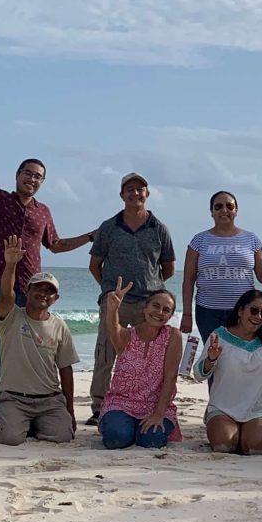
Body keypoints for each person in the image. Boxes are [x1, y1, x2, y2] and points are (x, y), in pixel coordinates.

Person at [0, 114, 91, 416]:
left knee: (32, 345)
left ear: (42, 183)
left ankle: (29, 399)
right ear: (17, 175)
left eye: (38, 176)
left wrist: (90, 236)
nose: (32, 179)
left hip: (32, 288)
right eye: (27, 173)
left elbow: (56, 245)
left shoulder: (43, 212)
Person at [89, 173, 177, 424]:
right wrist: (110, 292)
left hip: (149, 305)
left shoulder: (160, 229)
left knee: (148, 358)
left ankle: (144, 403)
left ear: (147, 194)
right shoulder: (108, 227)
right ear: (121, 195)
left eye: (140, 189)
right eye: (129, 189)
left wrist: (152, 291)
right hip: (116, 302)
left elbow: (168, 267)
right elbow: (95, 264)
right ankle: (99, 406)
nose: (135, 193)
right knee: (105, 354)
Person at [0, 235, 81, 446]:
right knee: (8, 438)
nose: (43, 294)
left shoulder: (59, 326)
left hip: (50, 400)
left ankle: (33, 424)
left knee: (63, 436)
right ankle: (11, 423)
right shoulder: (11, 317)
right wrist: (10, 265)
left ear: (55, 299)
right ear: (28, 291)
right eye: (38, 288)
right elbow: (6, 294)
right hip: (14, 398)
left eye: (49, 291)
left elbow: (66, 369)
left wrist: (70, 410)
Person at [180, 191, 262, 341]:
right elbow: (188, 280)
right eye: (218, 207)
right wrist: (187, 314)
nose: (224, 210)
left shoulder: (251, 239)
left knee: (242, 356)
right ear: (211, 212)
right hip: (208, 311)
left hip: (244, 311)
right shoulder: (199, 241)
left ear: (236, 211)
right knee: (214, 356)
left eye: (229, 206)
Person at [197, 291, 262, 454]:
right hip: (223, 408)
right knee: (224, 446)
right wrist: (210, 359)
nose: (258, 316)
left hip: (258, 411)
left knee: (254, 448)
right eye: (253, 310)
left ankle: (249, 433)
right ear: (240, 311)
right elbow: (198, 374)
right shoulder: (219, 336)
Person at [99, 280, 183, 449]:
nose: (159, 312)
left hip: (157, 405)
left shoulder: (173, 336)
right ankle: (124, 426)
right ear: (145, 308)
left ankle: (141, 429)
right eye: (155, 306)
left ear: (170, 316)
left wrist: (158, 414)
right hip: (121, 404)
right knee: (116, 439)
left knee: (152, 441)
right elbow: (113, 327)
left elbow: (170, 378)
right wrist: (113, 308)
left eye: (166, 310)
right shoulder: (127, 335)